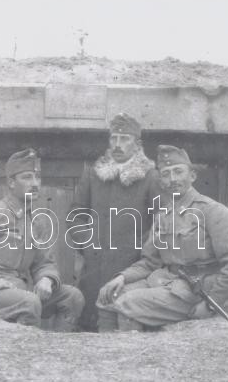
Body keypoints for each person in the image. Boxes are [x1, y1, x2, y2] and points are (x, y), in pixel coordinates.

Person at [95, 145, 228, 331]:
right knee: (107, 296)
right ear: (161, 181)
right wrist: (122, 277)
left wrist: (212, 303)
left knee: (128, 302)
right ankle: (109, 348)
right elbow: (150, 262)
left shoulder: (213, 212)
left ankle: (127, 347)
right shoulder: (163, 216)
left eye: (178, 172)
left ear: (192, 175)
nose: (173, 179)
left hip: (197, 290)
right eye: (166, 174)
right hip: (167, 282)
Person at [0, 148, 84, 330]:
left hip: (18, 293)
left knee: (72, 297)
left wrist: (46, 279)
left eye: (37, 177)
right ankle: (25, 347)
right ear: (11, 182)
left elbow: (44, 263)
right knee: (30, 303)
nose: (35, 184)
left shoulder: (36, 222)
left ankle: (56, 346)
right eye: (27, 177)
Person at [69, 112, 160, 332]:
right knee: (89, 328)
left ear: (137, 145)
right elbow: (75, 216)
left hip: (130, 268)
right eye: (114, 138)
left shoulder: (150, 177)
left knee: (122, 328)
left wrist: (140, 250)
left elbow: (160, 222)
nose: (118, 144)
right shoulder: (93, 174)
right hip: (93, 268)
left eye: (125, 139)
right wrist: (87, 243)